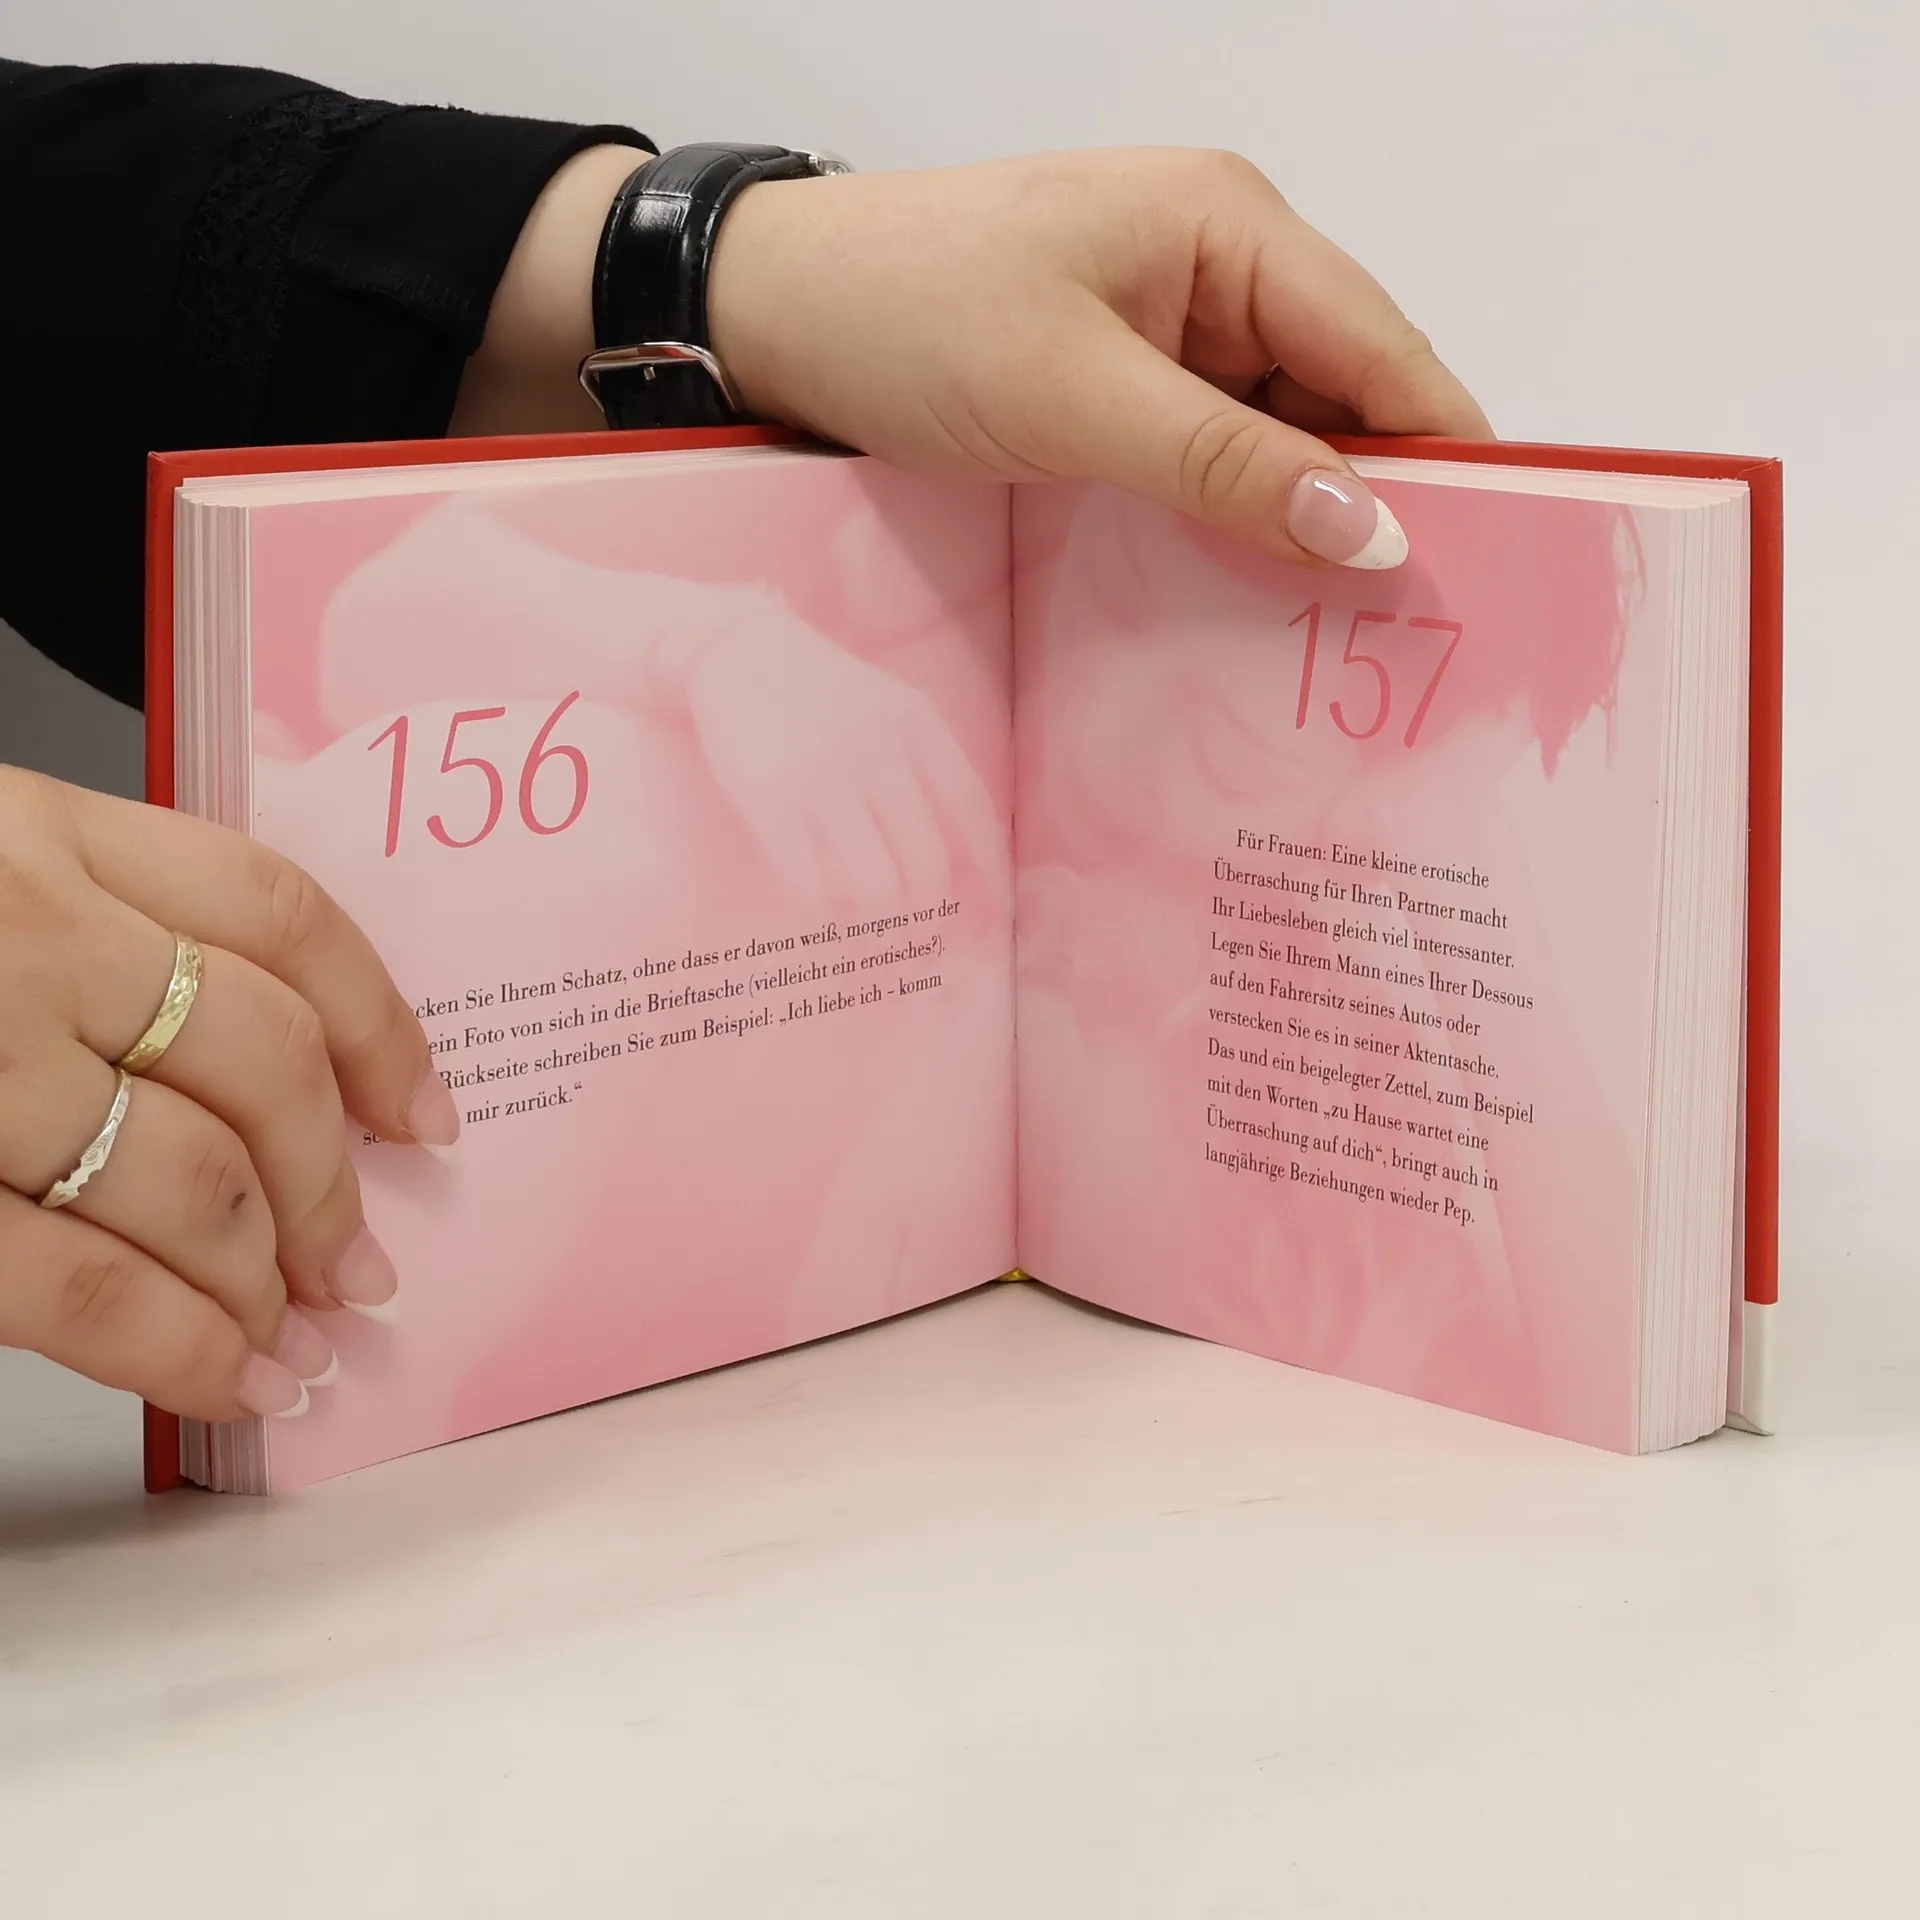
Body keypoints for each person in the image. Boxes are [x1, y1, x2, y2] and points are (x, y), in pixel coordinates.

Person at [0, 56, 1491, 1427]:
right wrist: (715, 645)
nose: (1271, 746)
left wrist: (747, 264)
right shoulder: (894, 575)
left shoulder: (1093, 975)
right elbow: (374, 604)